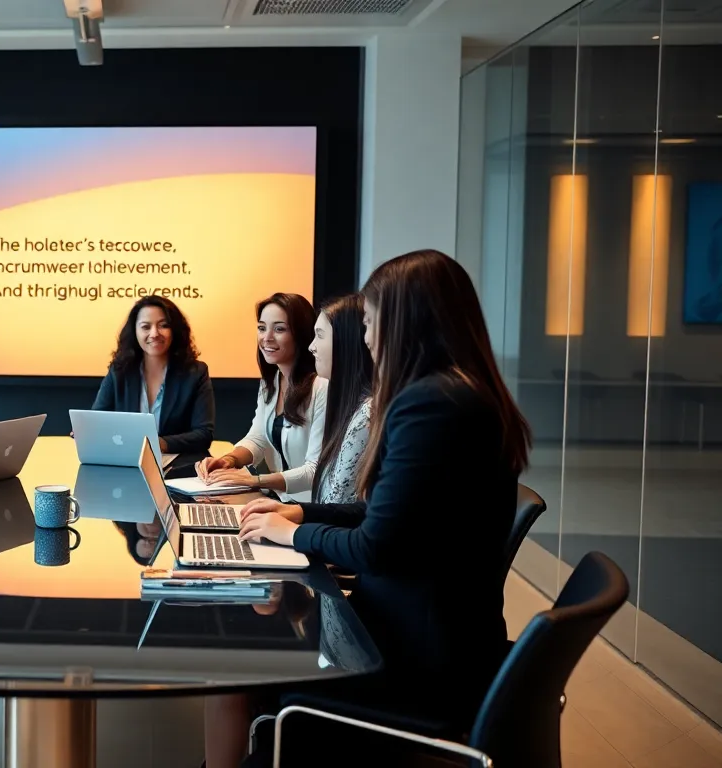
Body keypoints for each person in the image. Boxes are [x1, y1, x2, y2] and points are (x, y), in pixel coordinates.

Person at [205, 250, 531, 768]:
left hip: (414, 664)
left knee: (245, 677)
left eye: (371, 322)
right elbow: (382, 514)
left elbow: (376, 547)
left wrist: (293, 535)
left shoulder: (429, 405)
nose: (366, 336)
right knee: (252, 673)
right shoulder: (459, 394)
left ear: (405, 324)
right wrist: (301, 516)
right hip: (439, 642)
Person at [194, 293, 327, 501]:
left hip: (313, 506)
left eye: (279, 329)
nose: (267, 338)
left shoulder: (322, 387)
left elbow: (314, 471)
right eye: (262, 328)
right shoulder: (271, 381)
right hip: (281, 500)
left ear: (301, 334)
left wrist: (254, 481)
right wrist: (229, 460)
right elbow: (258, 438)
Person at [91, 295, 215, 460]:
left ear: (175, 330)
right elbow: (97, 420)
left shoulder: (195, 373)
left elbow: (203, 434)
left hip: (180, 466)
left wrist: (159, 443)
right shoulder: (120, 371)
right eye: (145, 327)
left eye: (163, 325)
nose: (154, 333)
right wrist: (88, 431)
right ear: (135, 331)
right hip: (128, 462)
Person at [306, 294, 374, 504]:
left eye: (320, 335)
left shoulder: (366, 414)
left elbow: (335, 502)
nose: (311, 346)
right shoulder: (351, 405)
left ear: (346, 341)